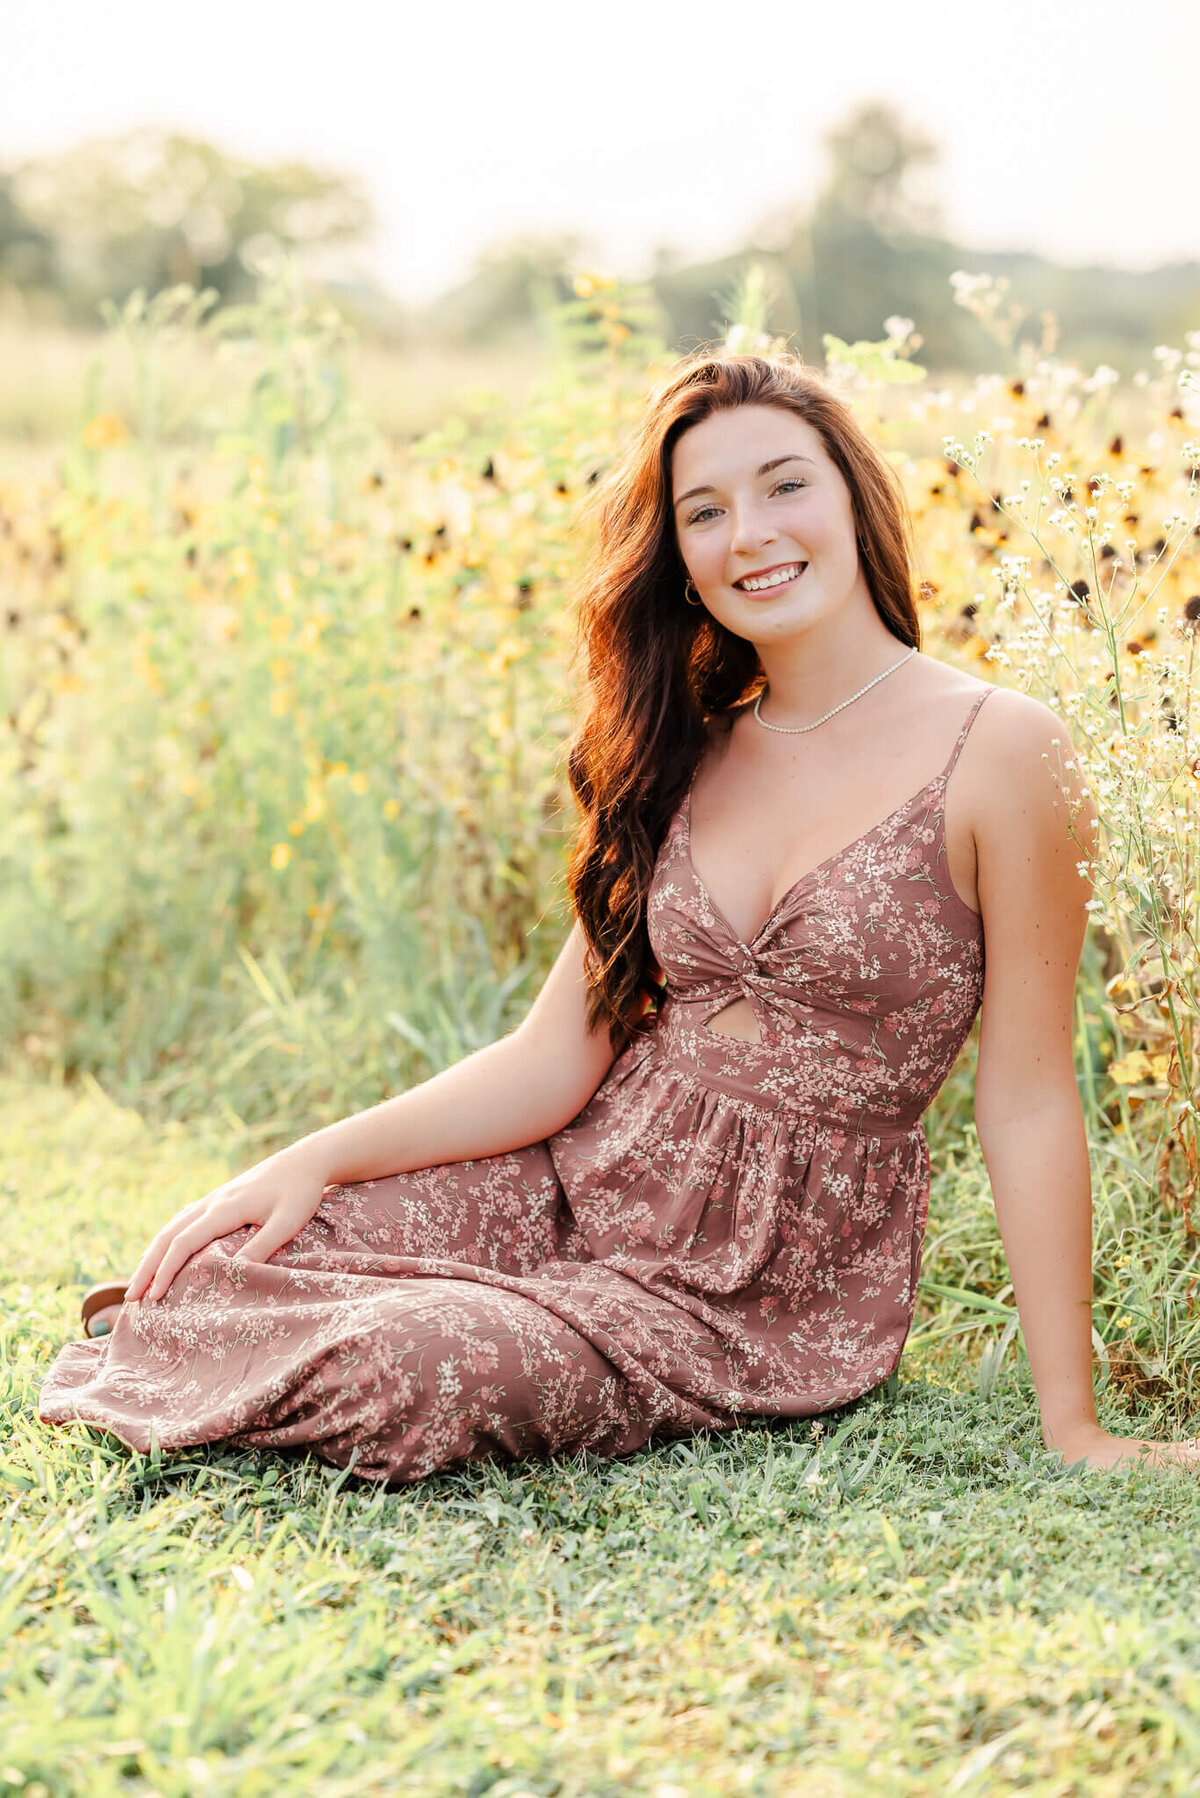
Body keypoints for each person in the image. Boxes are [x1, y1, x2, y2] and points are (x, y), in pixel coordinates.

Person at [38, 351, 1200, 1483]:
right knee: (240, 1250)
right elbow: (556, 1055)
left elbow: (1032, 1094)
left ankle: (367, 1334)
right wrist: (308, 1161)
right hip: (578, 1179)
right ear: (680, 560)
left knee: (430, 1368)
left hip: (753, 1287)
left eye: (786, 484)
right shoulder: (685, 746)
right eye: (706, 511)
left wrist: (1074, 1420)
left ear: (855, 500)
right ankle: (254, 1319)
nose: (750, 533)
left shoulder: (1002, 751)